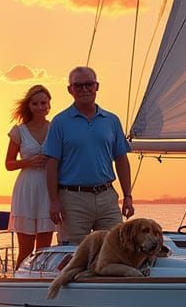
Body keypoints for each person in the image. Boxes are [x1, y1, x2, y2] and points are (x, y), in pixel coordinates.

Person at [43, 65, 134, 245]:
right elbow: (51, 163)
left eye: (89, 84)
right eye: (78, 86)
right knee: (74, 255)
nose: (84, 89)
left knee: (115, 248)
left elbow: (122, 159)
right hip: (72, 199)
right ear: (70, 90)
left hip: (107, 196)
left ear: (97, 86)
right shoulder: (59, 122)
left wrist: (128, 196)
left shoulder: (111, 120)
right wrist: (54, 201)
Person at [5, 84, 56, 267]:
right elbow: (8, 164)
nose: (40, 107)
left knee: (44, 251)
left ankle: (40, 286)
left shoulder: (56, 128)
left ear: (49, 104)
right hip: (26, 188)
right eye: (35, 103)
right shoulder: (19, 131)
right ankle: (18, 283)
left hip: (49, 188)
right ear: (29, 106)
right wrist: (29, 161)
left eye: (43, 103)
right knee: (25, 250)